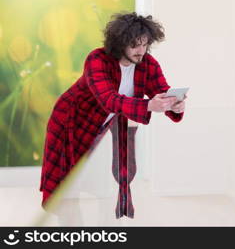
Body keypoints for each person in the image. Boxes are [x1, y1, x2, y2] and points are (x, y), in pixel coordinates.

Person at [39, 12, 186, 216]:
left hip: (100, 126)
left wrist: (174, 105)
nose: (141, 51)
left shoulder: (147, 63)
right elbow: (108, 99)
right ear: (120, 43)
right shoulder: (97, 59)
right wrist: (148, 106)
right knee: (66, 189)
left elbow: (161, 90)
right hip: (68, 122)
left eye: (145, 44)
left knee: (102, 186)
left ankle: (105, 233)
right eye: (135, 45)